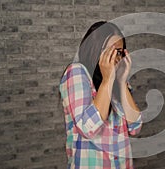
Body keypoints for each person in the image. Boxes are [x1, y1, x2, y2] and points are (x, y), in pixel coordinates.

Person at [58, 21, 143, 169]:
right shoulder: (77, 73)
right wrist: (107, 80)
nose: (117, 57)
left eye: (120, 52)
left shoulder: (118, 81)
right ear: (95, 48)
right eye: (111, 51)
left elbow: (135, 127)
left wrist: (122, 82)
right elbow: (88, 129)